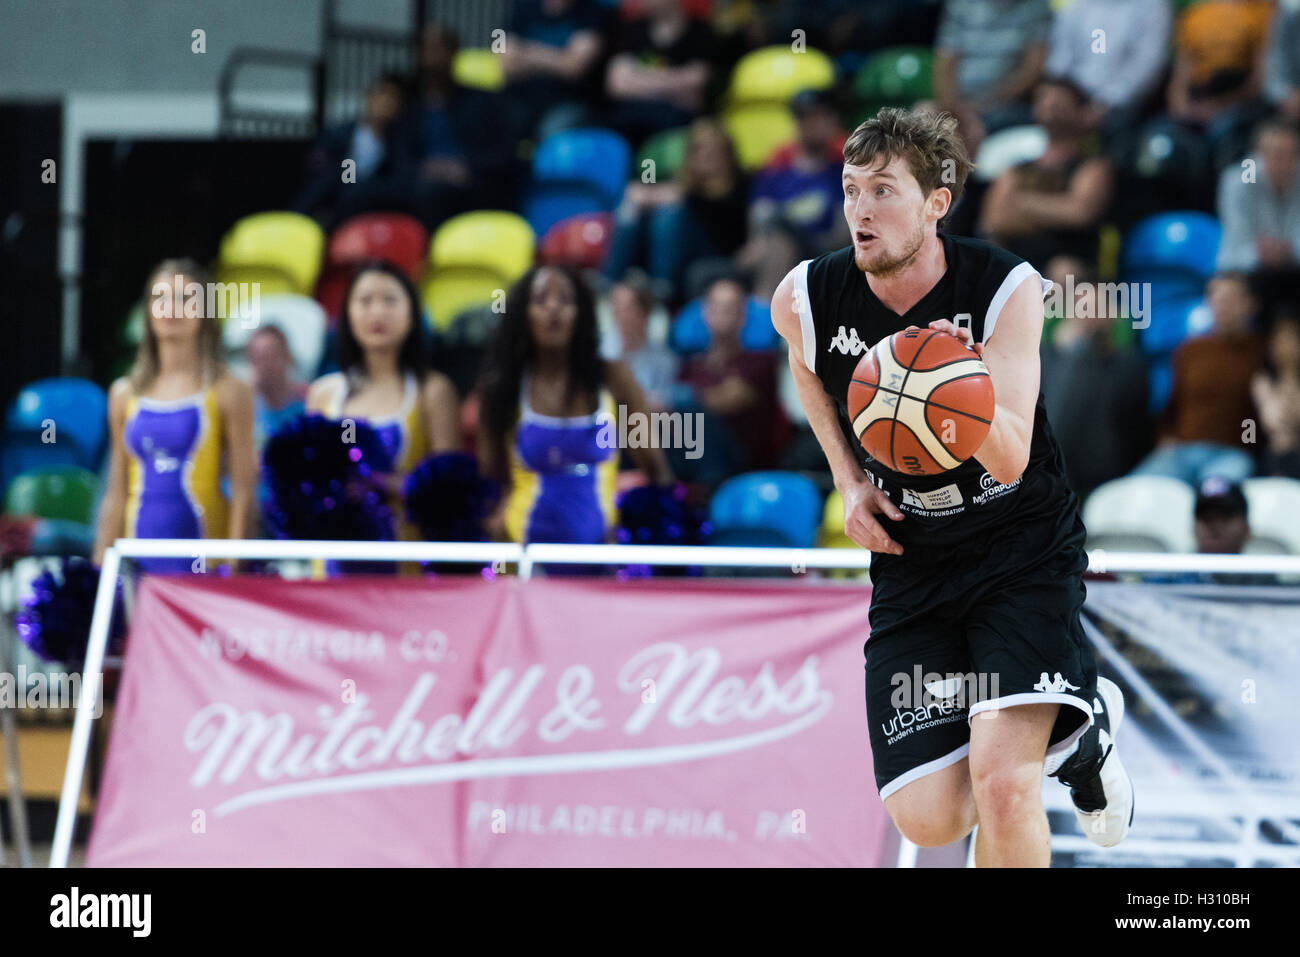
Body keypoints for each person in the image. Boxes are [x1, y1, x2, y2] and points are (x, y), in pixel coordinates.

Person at [769, 107, 1134, 866]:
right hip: (913, 558)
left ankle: (1050, 729)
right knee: (928, 819)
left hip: (1019, 549)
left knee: (1004, 785)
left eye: (882, 191)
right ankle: (1078, 727)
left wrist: (955, 378)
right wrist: (846, 478)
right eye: (849, 191)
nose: (860, 211)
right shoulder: (805, 296)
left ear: (936, 202)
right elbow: (806, 366)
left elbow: (1007, 459)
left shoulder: (1006, 289)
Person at [477, 265, 674, 548]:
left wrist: (654, 532)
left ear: (582, 312)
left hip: (603, 558)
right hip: (523, 557)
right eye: (541, 300)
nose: (554, 309)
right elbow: (490, 480)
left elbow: (657, 471)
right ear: (523, 313)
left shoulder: (613, 376)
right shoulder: (502, 386)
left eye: (566, 300)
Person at [94, 259, 257, 573]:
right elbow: (116, 490)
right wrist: (100, 569)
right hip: (138, 561)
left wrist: (236, 568)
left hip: (205, 565)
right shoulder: (124, 393)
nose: (171, 308)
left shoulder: (228, 390)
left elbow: (244, 490)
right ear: (147, 310)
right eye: (160, 297)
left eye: (185, 298)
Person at [306, 260, 461, 540]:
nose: (377, 312)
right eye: (365, 301)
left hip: (407, 563)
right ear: (347, 314)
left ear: (413, 314)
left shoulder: (433, 390)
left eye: (390, 300)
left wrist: (380, 483)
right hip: (330, 563)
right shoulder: (322, 393)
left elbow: (450, 489)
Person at [1134, 271, 1264, 485]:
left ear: (1250, 304)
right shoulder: (1189, 350)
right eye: (1216, 298)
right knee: (1140, 491)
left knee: (1216, 497)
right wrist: (1167, 439)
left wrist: (1247, 443)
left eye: (1230, 299)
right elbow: (1172, 407)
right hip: (1182, 451)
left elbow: (1255, 415)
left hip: (1232, 453)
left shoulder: (1260, 352)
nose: (1222, 306)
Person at [1039, 255, 1151, 500]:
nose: (1091, 318)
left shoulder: (1129, 363)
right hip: (1054, 460)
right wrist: (1070, 353)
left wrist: (1077, 354)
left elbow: (1130, 427)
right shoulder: (1046, 357)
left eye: (1099, 308)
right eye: (1084, 310)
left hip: (1102, 467)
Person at [604, 117, 748, 301]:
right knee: (631, 210)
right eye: (698, 149)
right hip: (681, 250)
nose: (705, 156)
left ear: (726, 153)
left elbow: (725, 225)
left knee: (669, 213)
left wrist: (676, 196)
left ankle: (662, 286)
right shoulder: (684, 185)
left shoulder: (739, 186)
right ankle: (609, 281)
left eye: (712, 150)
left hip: (715, 252)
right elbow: (653, 185)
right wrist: (647, 195)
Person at [979, 76, 1113, 271]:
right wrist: (1056, 210)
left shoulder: (1093, 166)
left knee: (1064, 270)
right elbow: (995, 220)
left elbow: (1079, 213)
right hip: (1017, 261)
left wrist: (1021, 202)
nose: (1050, 105)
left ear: (1080, 111)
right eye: (1043, 99)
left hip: (1069, 262)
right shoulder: (1016, 168)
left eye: (1058, 101)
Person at [679, 275, 784, 475]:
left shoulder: (760, 361)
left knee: (688, 412)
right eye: (717, 307)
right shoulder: (692, 366)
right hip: (693, 460)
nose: (723, 314)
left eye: (730, 308)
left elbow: (732, 398)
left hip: (743, 466)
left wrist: (680, 401)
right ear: (705, 312)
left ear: (743, 315)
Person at [294, 72, 409, 227]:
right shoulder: (342, 133)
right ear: (369, 97)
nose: (385, 102)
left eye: (393, 98)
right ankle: (296, 221)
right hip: (339, 189)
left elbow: (399, 179)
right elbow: (325, 164)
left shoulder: (399, 141)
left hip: (371, 199)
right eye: (382, 94)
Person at [1044, 0, 1172, 131]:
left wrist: (1104, 103)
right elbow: (1060, 58)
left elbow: (1146, 65)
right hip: (1074, 94)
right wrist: (1060, 92)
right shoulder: (1078, 5)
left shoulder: (1152, 6)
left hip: (1123, 104)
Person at [603, 0, 715, 145]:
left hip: (678, 123)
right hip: (631, 121)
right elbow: (617, 85)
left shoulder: (700, 31)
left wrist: (638, 78)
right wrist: (676, 83)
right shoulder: (632, 30)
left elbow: (697, 84)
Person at [934, 0, 1053, 137]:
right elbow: (945, 63)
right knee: (923, 117)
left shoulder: (1036, 7)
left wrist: (985, 105)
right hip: (960, 104)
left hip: (1007, 105)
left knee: (975, 130)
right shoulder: (960, 4)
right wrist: (953, 106)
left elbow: (1033, 70)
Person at [503, 0, 608, 140]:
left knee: (552, 132)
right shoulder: (521, 6)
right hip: (519, 99)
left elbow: (574, 68)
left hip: (568, 102)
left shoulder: (592, 11)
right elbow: (505, 63)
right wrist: (558, 58)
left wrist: (526, 52)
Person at [1216, 116, 1300, 271]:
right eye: (1277, 155)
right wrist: (1260, 253)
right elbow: (1237, 244)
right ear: (1259, 155)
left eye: (1291, 155)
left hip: (1293, 267)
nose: (1284, 163)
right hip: (1245, 270)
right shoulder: (1237, 181)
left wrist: (1288, 251)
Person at [609, 270, 679, 410]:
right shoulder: (600, 352)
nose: (620, 315)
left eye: (628, 309)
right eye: (616, 307)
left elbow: (664, 409)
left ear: (646, 314)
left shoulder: (665, 360)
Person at [1251, 304, 1300, 478]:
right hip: (1276, 455)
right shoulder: (1262, 381)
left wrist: (1292, 374)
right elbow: (1274, 421)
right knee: (1282, 442)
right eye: (1280, 339)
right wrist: (1287, 375)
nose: (1287, 346)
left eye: (1292, 338)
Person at [246, 325, 307, 452]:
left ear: (288, 357)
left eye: (270, 356)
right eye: (257, 358)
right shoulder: (244, 406)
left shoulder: (308, 400)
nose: (264, 366)